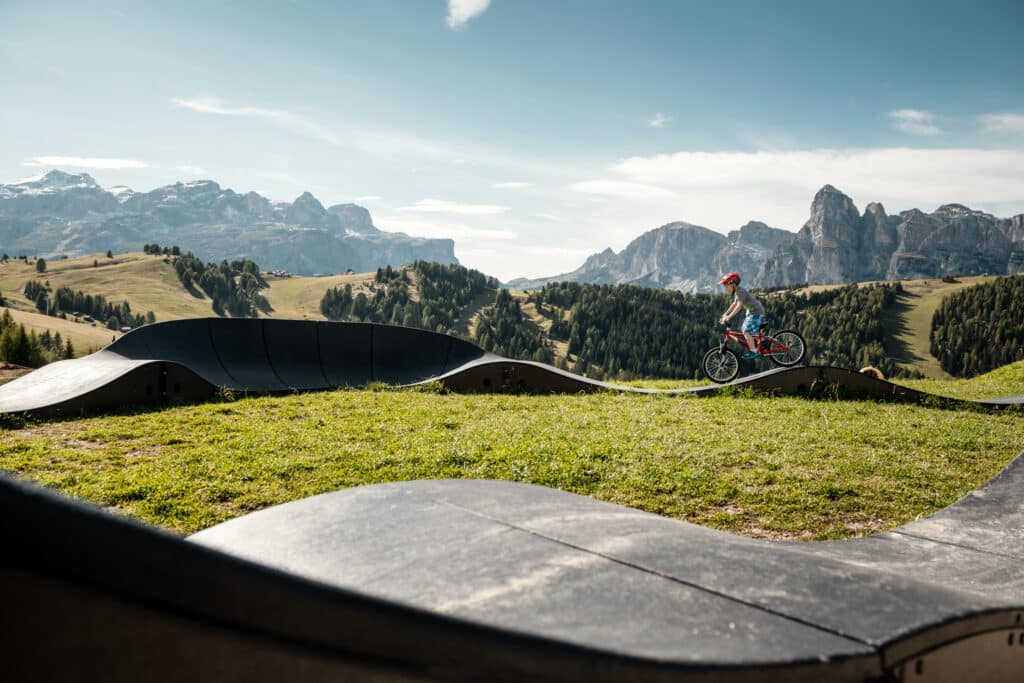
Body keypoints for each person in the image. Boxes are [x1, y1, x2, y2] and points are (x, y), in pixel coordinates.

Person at [718, 272, 765, 359]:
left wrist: (729, 316)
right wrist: (725, 314)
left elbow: (739, 305)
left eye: (726, 286)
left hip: (756, 312)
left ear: (734, 284)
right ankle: (762, 341)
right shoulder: (737, 292)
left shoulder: (741, 292)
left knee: (746, 330)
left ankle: (754, 351)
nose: (725, 288)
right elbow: (734, 304)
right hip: (751, 313)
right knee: (745, 329)